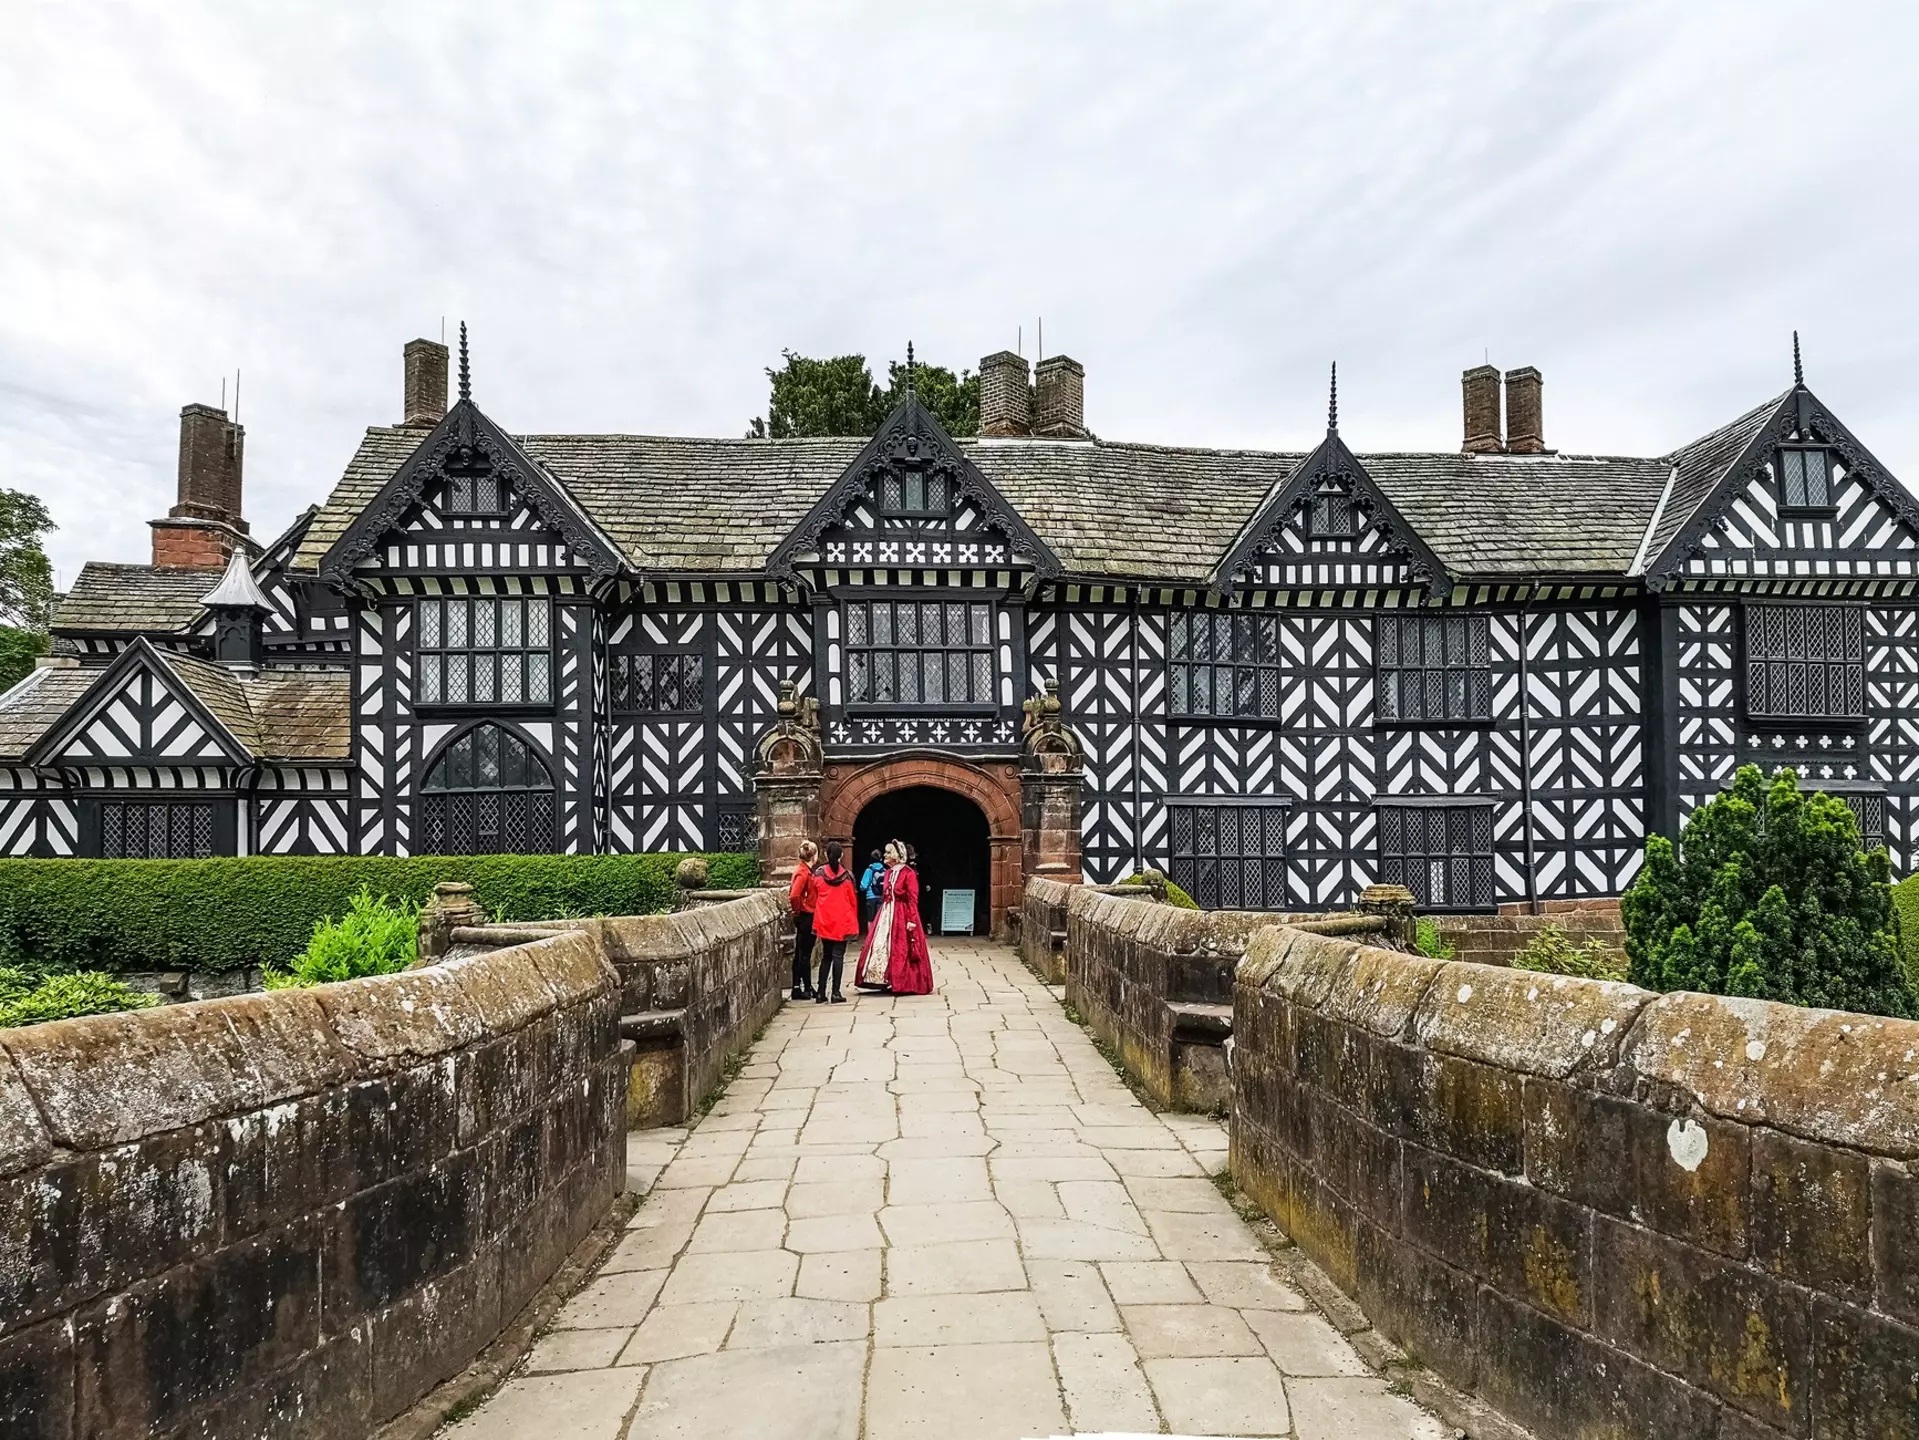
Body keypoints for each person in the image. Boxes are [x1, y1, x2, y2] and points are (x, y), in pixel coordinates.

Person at [855, 839, 933, 995]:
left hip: (902, 913)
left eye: (889, 852)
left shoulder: (908, 873)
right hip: (886, 913)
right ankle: (883, 978)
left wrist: (911, 920)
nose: (885, 855)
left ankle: (904, 981)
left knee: (902, 948)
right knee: (881, 946)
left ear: (897, 855)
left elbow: (912, 898)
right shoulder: (888, 872)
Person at [810, 840, 858, 1004]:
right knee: (838, 957)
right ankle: (836, 992)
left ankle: (820, 993)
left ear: (825, 854)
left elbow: (813, 896)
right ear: (841, 856)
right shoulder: (847, 877)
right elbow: (853, 901)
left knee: (826, 957)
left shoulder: (818, 875)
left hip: (825, 921)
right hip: (842, 922)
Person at [788, 840, 818, 1001]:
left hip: (806, 915)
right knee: (804, 954)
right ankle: (805, 988)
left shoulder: (804, 870)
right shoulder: (803, 872)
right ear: (813, 856)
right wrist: (798, 911)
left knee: (801, 952)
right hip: (806, 916)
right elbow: (794, 895)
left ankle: (797, 987)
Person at [858, 848, 885, 934]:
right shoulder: (885, 871)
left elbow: (864, 885)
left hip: (871, 897)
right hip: (881, 897)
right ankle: (879, 937)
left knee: (871, 919)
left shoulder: (869, 870)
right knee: (879, 918)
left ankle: (871, 938)